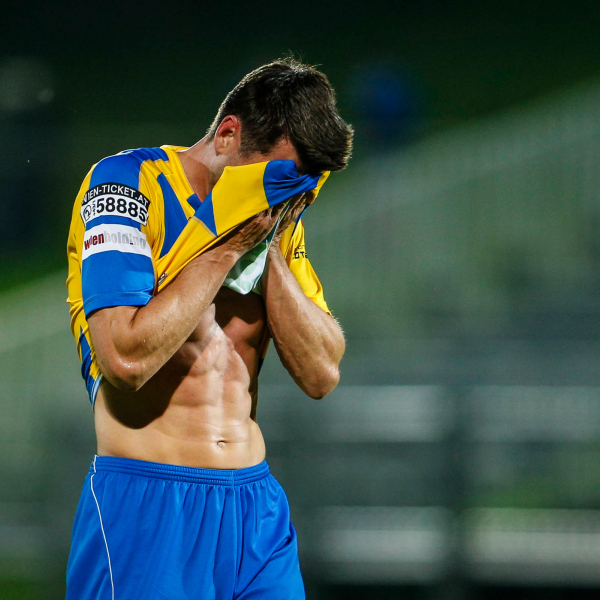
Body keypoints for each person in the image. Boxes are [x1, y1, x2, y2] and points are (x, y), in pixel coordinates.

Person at [65, 57, 353, 599]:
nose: (285, 195)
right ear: (227, 136)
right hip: (149, 505)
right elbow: (124, 359)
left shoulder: (274, 219)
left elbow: (322, 373)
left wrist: (271, 247)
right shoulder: (127, 186)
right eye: (276, 177)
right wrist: (228, 247)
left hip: (255, 510)